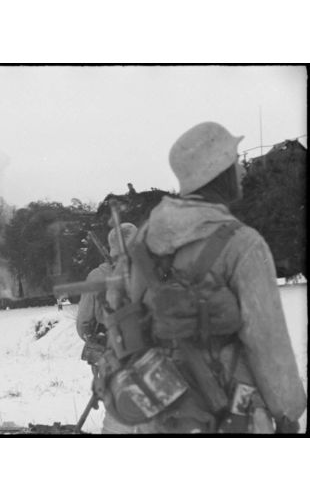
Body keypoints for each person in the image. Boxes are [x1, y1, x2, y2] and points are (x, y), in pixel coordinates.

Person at [125, 121, 306, 433]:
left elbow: (131, 311)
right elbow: (267, 341)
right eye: (235, 161)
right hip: (235, 413)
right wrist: (288, 413)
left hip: (163, 406)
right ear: (217, 171)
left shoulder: (142, 240)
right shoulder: (243, 243)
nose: (242, 171)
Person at [76, 222, 139, 434]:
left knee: (117, 410)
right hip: (149, 354)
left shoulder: (98, 276)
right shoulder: (153, 271)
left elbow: (83, 323)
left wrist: (93, 337)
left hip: (111, 354)